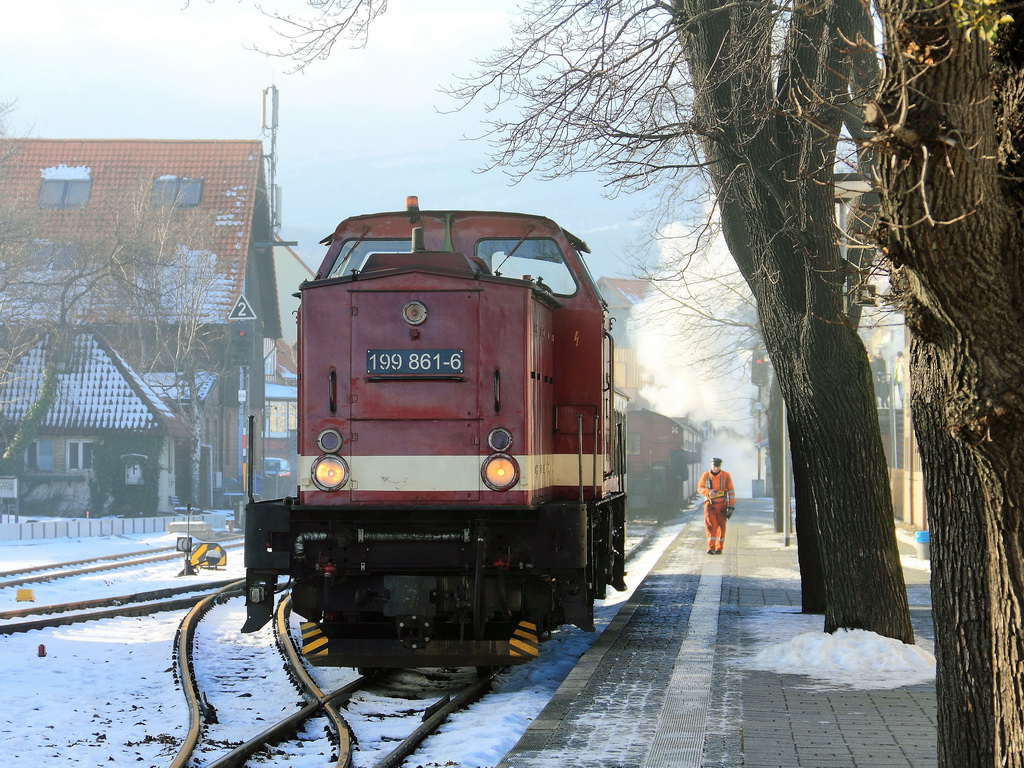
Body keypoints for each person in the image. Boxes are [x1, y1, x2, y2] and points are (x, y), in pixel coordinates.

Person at [697, 457, 735, 555]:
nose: (716, 468)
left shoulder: (726, 475)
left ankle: (719, 548)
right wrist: (708, 492)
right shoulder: (705, 475)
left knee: (721, 527)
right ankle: (711, 548)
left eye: (718, 466)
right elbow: (699, 488)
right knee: (710, 526)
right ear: (711, 465)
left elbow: (731, 491)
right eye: (714, 466)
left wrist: (731, 506)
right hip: (710, 505)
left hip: (722, 505)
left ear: (720, 466)